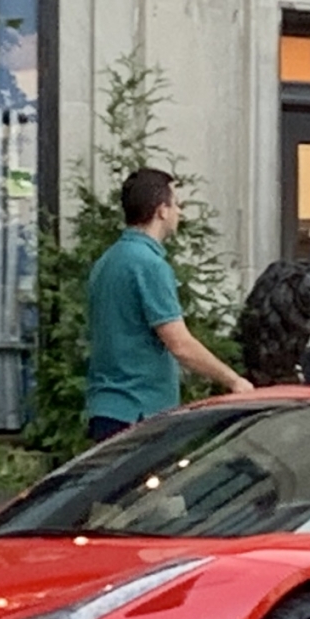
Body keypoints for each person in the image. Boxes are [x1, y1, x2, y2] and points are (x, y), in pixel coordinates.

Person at [85, 168, 252, 444]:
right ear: (161, 210)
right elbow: (180, 344)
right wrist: (233, 380)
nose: (180, 212)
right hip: (139, 412)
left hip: (106, 408)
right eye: (177, 204)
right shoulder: (149, 265)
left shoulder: (107, 262)